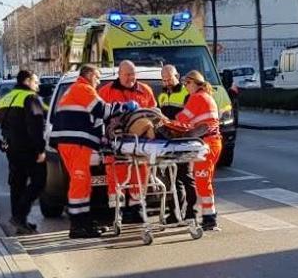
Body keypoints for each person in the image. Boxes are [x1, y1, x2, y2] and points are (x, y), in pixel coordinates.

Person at [49, 64, 136, 239]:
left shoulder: (77, 90)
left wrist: (101, 138)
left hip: (72, 142)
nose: (98, 81)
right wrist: (126, 107)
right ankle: (78, 226)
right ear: (88, 75)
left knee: (82, 181)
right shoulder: (83, 88)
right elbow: (101, 110)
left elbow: (92, 119)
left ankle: (84, 223)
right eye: (97, 77)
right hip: (75, 143)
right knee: (80, 182)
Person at [98, 60, 157, 223]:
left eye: (133, 74)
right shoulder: (106, 91)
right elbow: (98, 115)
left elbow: (153, 113)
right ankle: (117, 211)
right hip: (115, 142)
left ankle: (136, 208)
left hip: (140, 143)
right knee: (116, 176)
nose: (131, 77)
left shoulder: (145, 90)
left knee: (140, 175)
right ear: (119, 74)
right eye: (127, 74)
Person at [0, 70, 47, 235]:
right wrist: (41, 149)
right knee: (39, 181)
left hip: (11, 148)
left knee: (17, 184)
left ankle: (19, 221)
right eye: (36, 81)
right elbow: (36, 126)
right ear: (27, 81)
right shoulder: (30, 98)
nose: (37, 85)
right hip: (29, 148)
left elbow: (0, 121)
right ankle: (19, 216)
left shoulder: (6, 98)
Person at [171, 70, 221, 231]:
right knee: (205, 181)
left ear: (194, 82)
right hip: (212, 143)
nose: (185, 87)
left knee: (202, 181)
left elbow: (182, 119)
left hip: (206, 144)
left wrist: (163, 122)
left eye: (187, 83)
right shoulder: (207, 96)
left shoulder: (197, 97)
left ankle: (209, 219)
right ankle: (209, 216)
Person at [158, 64, 196, 224]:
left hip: (183, 140)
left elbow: (189, 118)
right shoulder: (161, 96)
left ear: (177, 76)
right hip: (167, 141)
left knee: (185, 177)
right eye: (164, 80)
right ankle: (174, 213)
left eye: (169, 79)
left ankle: (191, 212)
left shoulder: (185, 93)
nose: (166, 82)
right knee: (171, 179)